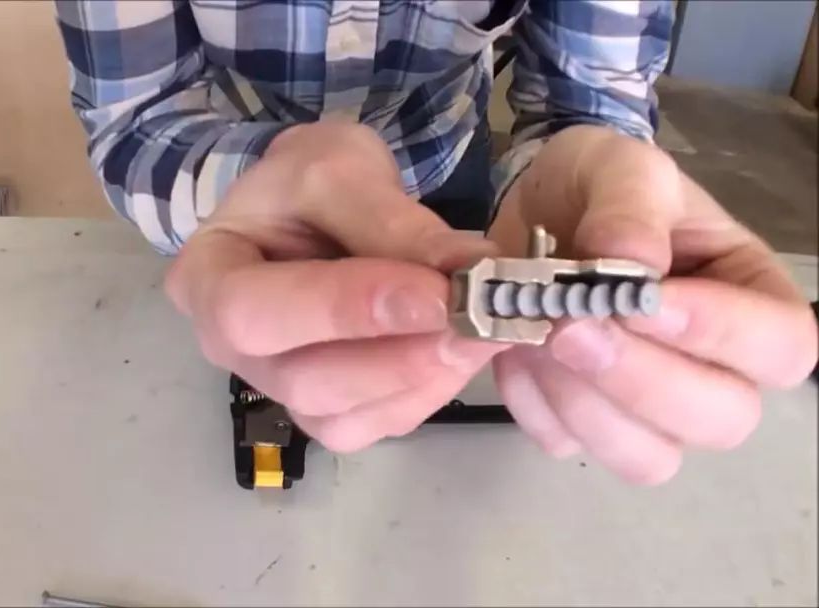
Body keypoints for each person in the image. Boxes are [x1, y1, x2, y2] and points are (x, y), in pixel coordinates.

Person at [55, 0, 818, 485]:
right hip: (239, 208)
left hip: (451, 165)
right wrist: (269, 190)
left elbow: (589, 95)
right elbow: (140, 119)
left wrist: (587, 166)